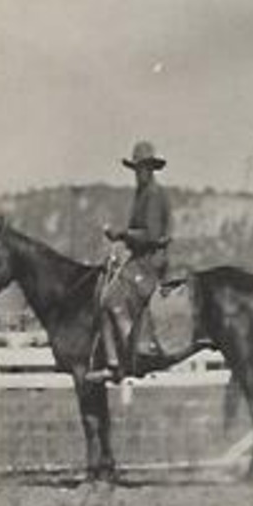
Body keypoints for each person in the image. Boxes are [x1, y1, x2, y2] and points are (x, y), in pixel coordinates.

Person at [88, 140, 172, 384]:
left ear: (150, 169)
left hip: (152, 261)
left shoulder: (154, 195)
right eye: (136, 169)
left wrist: (121, 234)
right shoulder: (143, 194)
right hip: (141, 258)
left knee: (112, 297)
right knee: (104, 290)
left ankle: (131, 354)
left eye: (143, 168)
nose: (139, 173)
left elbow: (152, 235)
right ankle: (113, 360)